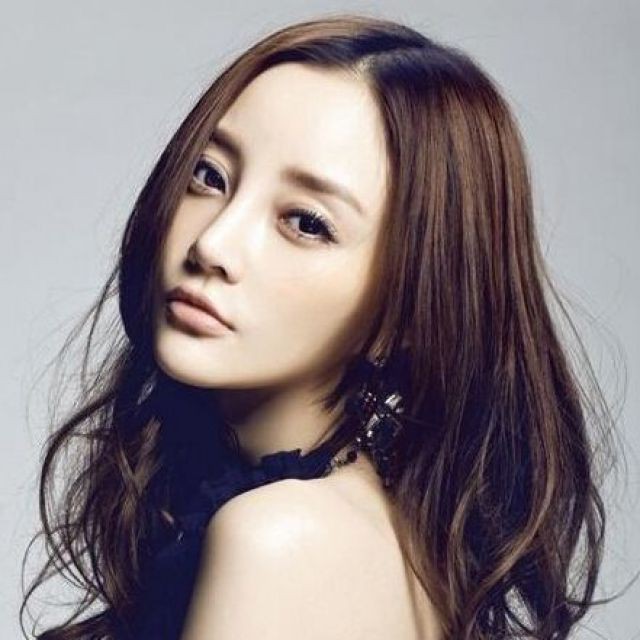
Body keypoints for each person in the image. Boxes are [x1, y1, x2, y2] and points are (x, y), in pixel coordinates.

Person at [20, 13, 623, 640]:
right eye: (210, 175)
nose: (213, 243)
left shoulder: (281, 541)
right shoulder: (379, 538)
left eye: (306, 222)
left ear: (408, 308)